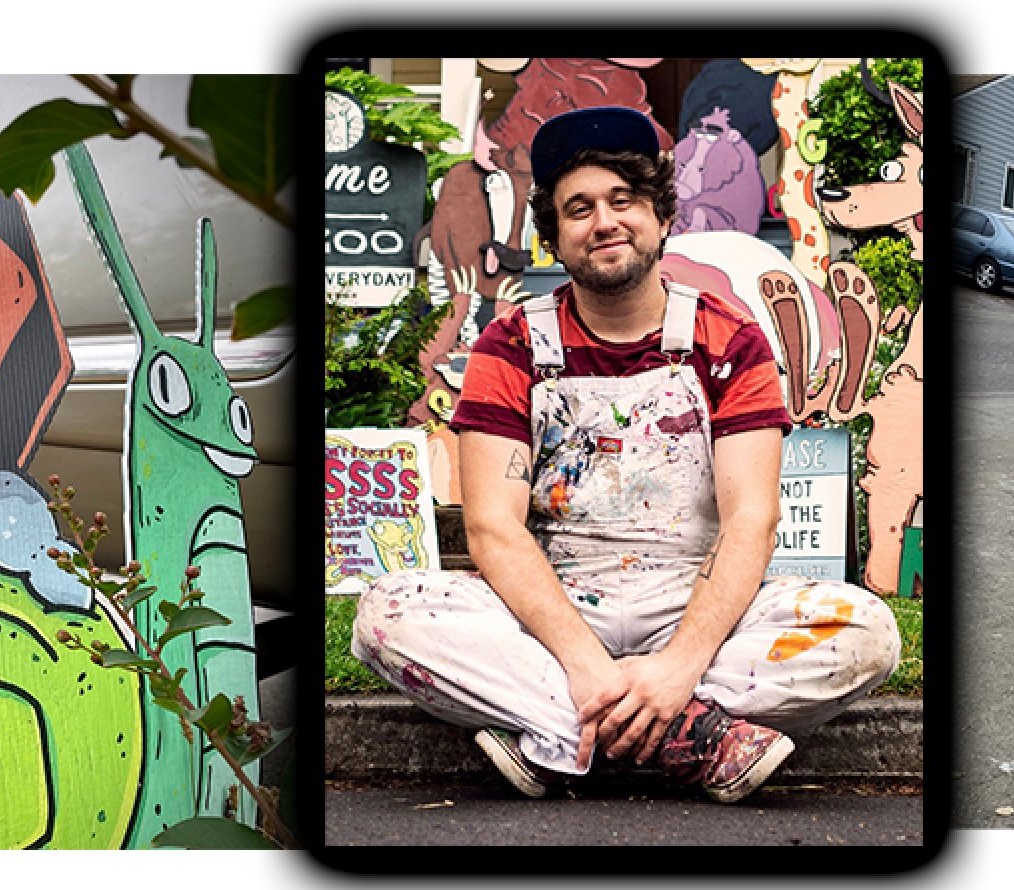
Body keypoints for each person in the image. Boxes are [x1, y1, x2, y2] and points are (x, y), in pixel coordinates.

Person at [351, 106, 901, 804]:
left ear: (661, 216)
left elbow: (751, 521)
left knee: (865, 633)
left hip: (694, 607)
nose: (604, 222)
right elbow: (493, 526)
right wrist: (584, 664)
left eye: (624, 200)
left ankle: (560, 737)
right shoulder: (509, 347)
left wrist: (680, 663)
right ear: (553, 235)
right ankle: (691, 736)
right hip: (550, 615)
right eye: (578, 208)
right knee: (387, 615)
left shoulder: (729, 342)